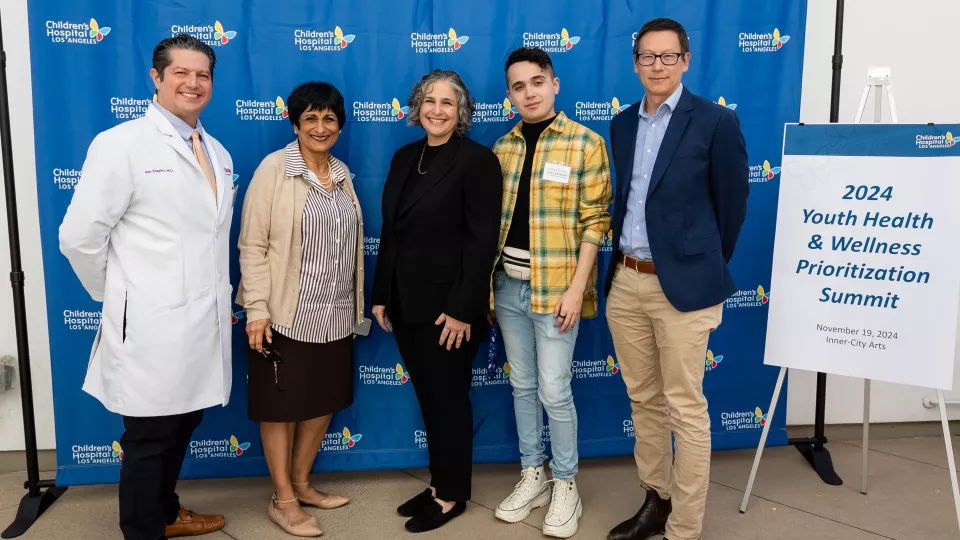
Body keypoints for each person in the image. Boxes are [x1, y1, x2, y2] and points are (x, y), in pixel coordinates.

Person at [59, 34, 234, 540]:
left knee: (184, 422)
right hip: (151, 325)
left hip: (202, 323)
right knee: (149, 437)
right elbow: (78, 237)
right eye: (180, 72)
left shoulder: (216, 151)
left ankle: (164, 511)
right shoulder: (122, 144)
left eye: (202, 74)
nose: (193, 83)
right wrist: (119, 295)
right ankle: (143, 530)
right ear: (156, 78)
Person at [603, 18, 749, 540]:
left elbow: (731, 209)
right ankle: (656, 502)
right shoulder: (621, 124)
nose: (658, 66)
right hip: (626, 282)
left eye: (668, 56)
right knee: (644, 401)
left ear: (685, 60)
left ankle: (685, 527)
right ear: (636, 63)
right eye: (648, 57)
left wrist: (700, 265)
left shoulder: (714, 121)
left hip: (684, 286)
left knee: (686, 408)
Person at [370, 69, 502, 533]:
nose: (437, 109)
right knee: (430, 399)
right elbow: (392, 232)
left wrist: (464, 308)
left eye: (448, 102)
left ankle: (451, 495)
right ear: (417, 106)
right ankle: (437, 483)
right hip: (405, 304)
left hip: (450, 310)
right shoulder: (406, 156)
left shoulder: (477, 161)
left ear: (461, 110)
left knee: (448, 402)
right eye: (429, 100)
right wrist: (381, 294)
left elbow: (482, 242)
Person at [490, 47, 613, 539]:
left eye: (537, 81)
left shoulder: (585, 143)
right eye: (518, 86)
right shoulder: (502, 148)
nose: (529, 92)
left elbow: (596, 222)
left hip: (557, 291)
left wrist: (576, 289)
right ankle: (533, 474)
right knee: (521, 387)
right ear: (510, 95)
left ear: (555, 84)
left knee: (554, 390)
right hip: (507, 290)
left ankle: (566, 484)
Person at [235, 81, 365, 537]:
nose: (320, 126)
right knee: (280, 408)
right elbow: (252, 244)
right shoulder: (275, 169)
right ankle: (283, 499)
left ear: (340, 125)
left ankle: (302, 484)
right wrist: (257, 309)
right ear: (295, 123)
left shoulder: (342, 173)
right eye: (310, 117)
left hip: (334, 313)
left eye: (329, 118)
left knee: (321, 403)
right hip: (283, 314)